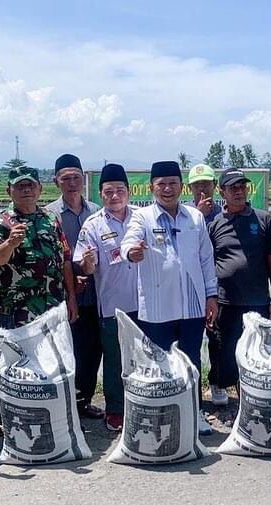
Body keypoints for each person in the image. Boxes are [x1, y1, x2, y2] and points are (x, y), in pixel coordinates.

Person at [121, 160, 218, 435]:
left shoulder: (195, 217)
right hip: (157, 306)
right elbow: (128, 242)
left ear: (181, 186)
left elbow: (206, 259)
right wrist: (132, 252)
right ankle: (163, 413)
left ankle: (194, 411)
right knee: (160, 363)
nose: (167, 189)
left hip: (192, 305)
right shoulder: (142, 217)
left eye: (172, 183)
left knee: (192, 362)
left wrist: (211, 296)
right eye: (161, 184)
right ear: (152, 187)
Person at [206, 168, 271, 407]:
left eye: (242, 186)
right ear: (222, 191)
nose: (239, 191)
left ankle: (250, 396)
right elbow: (207, 264)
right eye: (233, 187)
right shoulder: (214, 224)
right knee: (222, 348)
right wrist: (210, 299)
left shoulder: (264, 220)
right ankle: (218, 383)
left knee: (256, 352)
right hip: (225, 300)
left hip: (258, 300)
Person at [74, 163, 139, 433]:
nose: (115, 196)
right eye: (109, 191)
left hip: (148, 304)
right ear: (101, 194)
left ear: (129, 192)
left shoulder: (143, 217)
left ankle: (146, 404)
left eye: (120, 190)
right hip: (113, 306)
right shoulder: (93, 225)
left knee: (146, 358)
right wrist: (87, 265)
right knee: (115, 361)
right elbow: (84, 266)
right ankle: (115, 410)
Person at [0, 166, 79, 328]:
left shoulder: (51, 218)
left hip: (54, 308)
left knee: (58, 353)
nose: (26, 190)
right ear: (9, 191)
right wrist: (10, 243)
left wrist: (71, 297)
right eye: (20, 186)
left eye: (31, 185)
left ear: (40, 189)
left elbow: (65, 260)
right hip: (19, 313)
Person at [46, 153, 103, 421]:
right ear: (56, 181)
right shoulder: (49, 215)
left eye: (76, 178)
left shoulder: (97, 212)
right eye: (65, 179)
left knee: (92, 351)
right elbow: (48, 258)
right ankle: (64, 404)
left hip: (98, 294)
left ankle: (84, 401)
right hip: (64, 296)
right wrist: (67, 282)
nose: (71, 184)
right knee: (65, 352)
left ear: (83, 179)